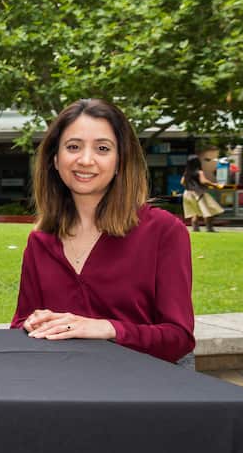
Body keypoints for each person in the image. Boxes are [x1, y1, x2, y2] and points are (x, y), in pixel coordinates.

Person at [12, 98, 193, 363]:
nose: (86, 160)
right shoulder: (41, 240)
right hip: (61, 381)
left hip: (139, 382)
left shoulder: (163, 231)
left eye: (102, 148)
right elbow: (19, 325)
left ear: (120, 160)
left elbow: (178, 338)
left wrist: (108, 329)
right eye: (73, 147)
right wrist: (31, 324)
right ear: (55, 159)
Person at [181, 154, 224, 232]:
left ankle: (195, 228)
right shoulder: (199, 172)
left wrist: (190, 185)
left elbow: (182, 182)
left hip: (187, 193)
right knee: (208, 210)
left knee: (194, 212)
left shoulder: (186, 173)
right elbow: (203, 181)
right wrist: (215, 185)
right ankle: (209, 228)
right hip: (198, 193)